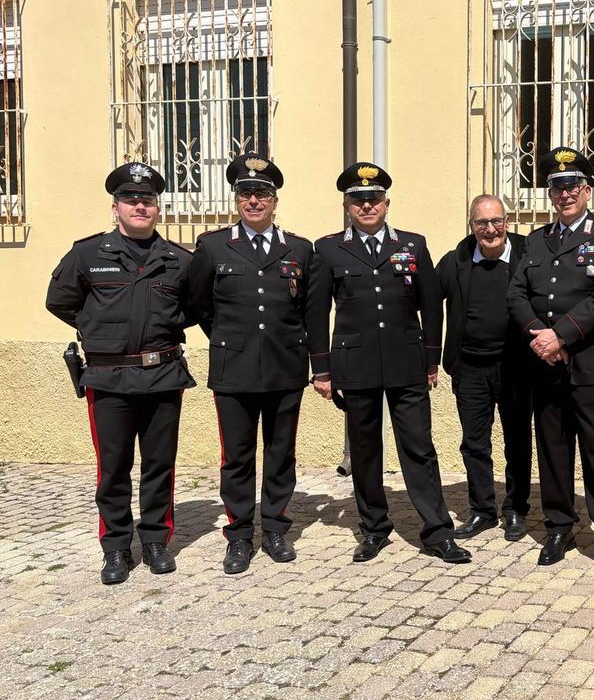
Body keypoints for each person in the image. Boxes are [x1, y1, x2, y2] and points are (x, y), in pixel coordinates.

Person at [311, 162, 471, 566]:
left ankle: (437, 532)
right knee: (365, 452)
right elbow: (316, 312)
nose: (367, 205)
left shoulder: (413, 244)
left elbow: (431, 307)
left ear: (386, 202)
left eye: (373, 198)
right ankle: (373, 530)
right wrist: (322, 369)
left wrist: (431, 359)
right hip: (356, 363)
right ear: (347, 205)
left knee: (419, 448)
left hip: (406, 362)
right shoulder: (328, 248)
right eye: (358, 199)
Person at [46, 162, 194, 584]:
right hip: (108, 379)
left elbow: (194, 308)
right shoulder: (88, 254)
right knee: (113, 468)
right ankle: (115, 548)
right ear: (116, 208)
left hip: (163, 376)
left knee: (159, 464)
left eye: (147, 200)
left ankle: (154, 542)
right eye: (131, 199)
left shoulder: (178, 261)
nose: (140, 206)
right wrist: (96, 330)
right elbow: (59, 301)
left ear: (158, 208)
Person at [189, 154, 329, 574]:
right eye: (246, 193)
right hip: (234, 369)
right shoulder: (213, 246)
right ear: (237, 199)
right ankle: (238, 535)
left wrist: (318, 365)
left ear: (274, 200)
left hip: (285, 367)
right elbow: (199, 305)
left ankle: (275, 527)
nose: (253, 201)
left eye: (262, 194)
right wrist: (231, 341)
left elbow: (311, 312)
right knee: (237, 456)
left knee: (281, 452)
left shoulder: (300, 249)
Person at [508, 146, 594, 578]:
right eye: (557, 187)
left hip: (590, 360)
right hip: (545, 362)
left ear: (587, 190)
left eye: (573, 186)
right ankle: (559, 525)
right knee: (553, 449)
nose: (565, 194)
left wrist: (560, 335)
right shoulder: (536, 240)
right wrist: (540, 338)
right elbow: (517, 294)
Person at [437, 194, 532, 542]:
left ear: (506, 222)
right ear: (472, 225)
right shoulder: (456, 260)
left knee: (517, 440)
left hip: (516, 367)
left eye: (496, 221)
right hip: (471, 368)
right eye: (482, 223)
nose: (490, 229)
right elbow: (427, 299)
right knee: (474, 443)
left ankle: (515, 509)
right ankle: (482, 510)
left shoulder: (527, 254)